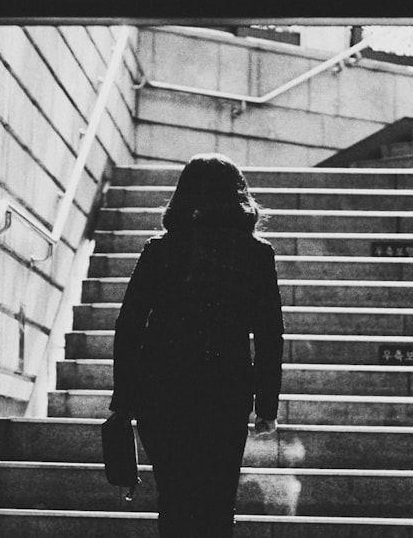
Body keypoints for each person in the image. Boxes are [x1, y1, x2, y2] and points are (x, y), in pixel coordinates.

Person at [108, 153, 284, 538]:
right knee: (218, 500)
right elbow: (269, 333)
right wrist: (266, 406)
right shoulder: (256, 253)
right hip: (226, 392)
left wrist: (124, 400)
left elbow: (130, 325)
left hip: (162, 392)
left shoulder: (161, 249)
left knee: (174, 497)